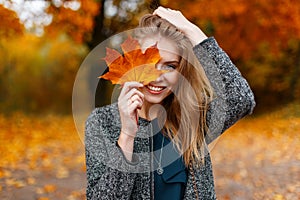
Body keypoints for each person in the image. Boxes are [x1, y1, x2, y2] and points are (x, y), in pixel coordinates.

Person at [85, 6, 255, 200]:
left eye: (170, 66)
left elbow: (241, 98)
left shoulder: (192, 118)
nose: (157, 77)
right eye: (149, 64)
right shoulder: (101, 122)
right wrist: (127, 136)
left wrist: (192, 31)